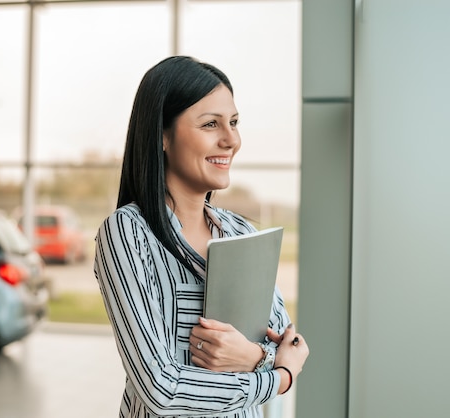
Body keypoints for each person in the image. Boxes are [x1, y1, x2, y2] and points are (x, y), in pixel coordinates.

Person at [94, 56, 309, 417]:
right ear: (162, 135)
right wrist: (278, 379)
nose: (231, 140)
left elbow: (290, 344)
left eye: (234, 123)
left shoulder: (242, 232)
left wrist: (255, 355)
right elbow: (160, 388)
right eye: (211, 124)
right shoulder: (128, 232)